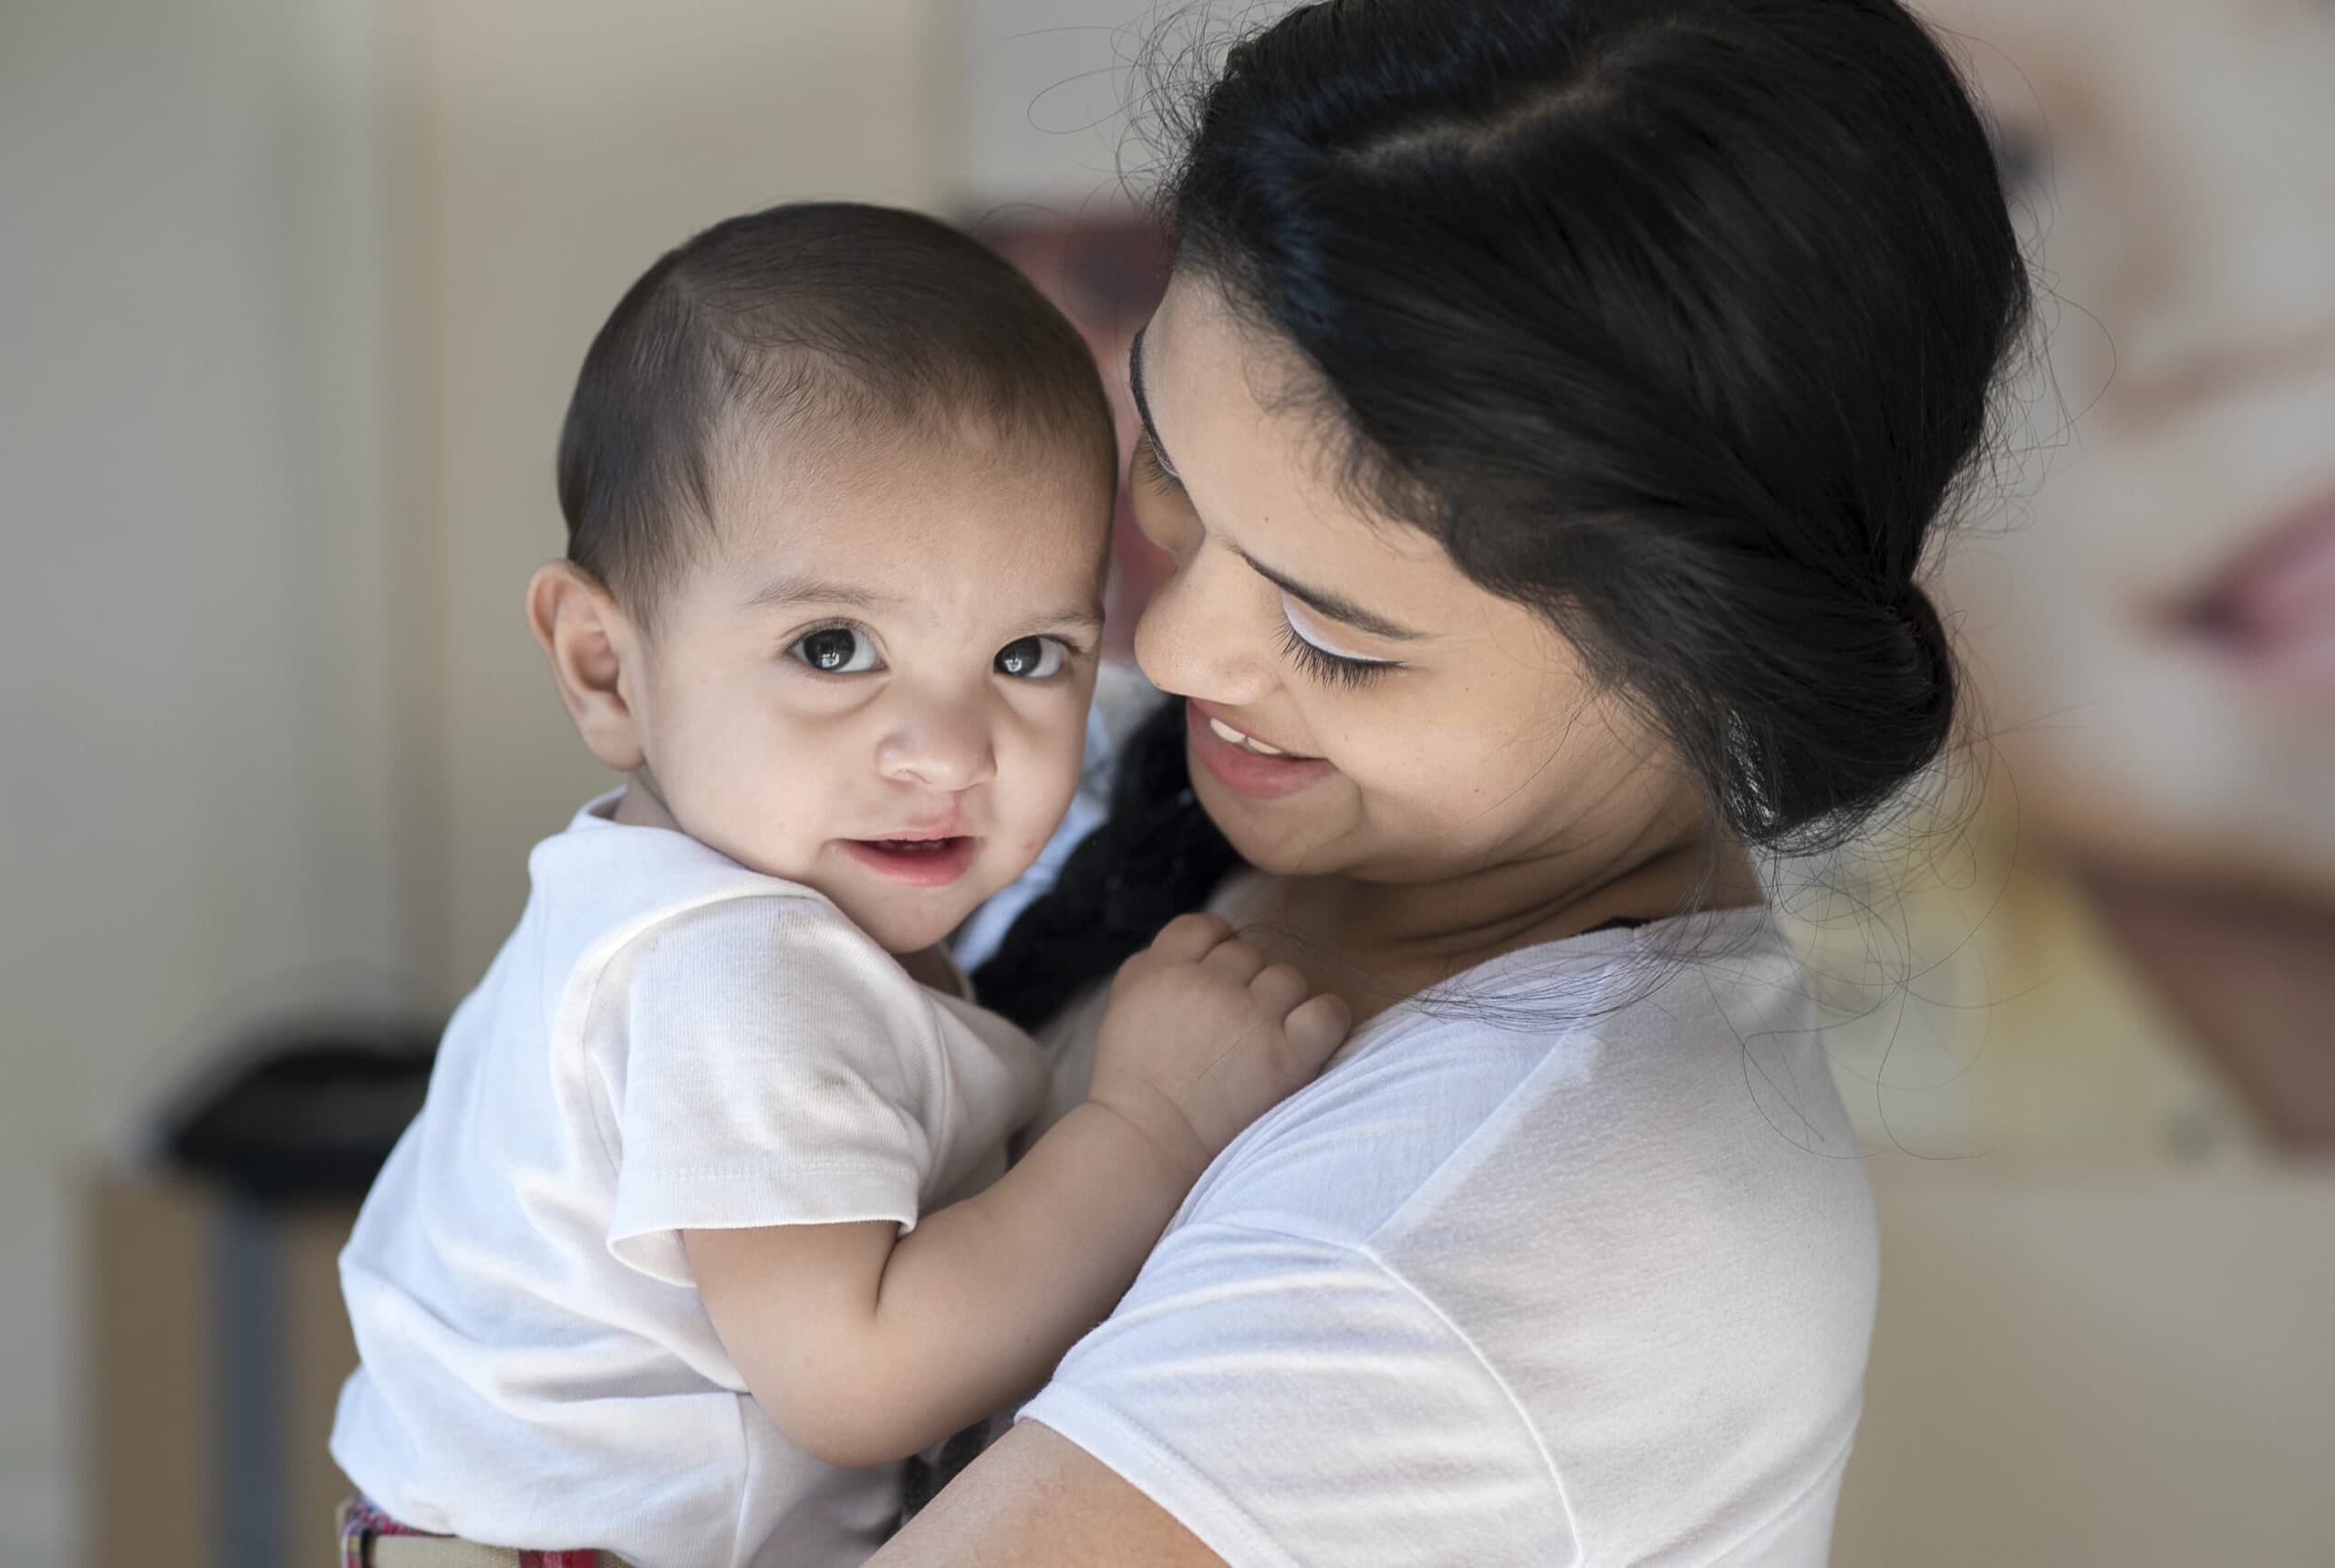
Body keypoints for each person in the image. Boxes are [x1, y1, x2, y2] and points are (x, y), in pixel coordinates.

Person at [877, 1, 2033, 1563]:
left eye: (1334, 635)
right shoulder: (1182, 780)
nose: (1170, 639)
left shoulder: (1495, 1224)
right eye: (1168, 471)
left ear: (1701, 660)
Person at [327, 202, 1349, 1568]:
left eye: (1029, 656)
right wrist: (1153, 1127)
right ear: (604, 668)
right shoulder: (736, 972)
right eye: (830, 649)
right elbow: (857, 1377)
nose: (946, 751)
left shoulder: (690, 897)